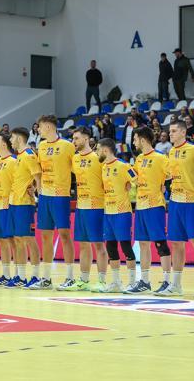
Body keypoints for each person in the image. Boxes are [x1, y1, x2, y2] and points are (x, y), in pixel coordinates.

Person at [156, 121, 194, 296]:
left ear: (184, 132)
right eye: (170, 131)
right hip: (175, 201)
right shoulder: (171, 151)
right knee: (176, 243)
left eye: (174, 131)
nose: (170, 134)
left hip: (192, 201)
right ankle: (176, 285)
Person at [125, 126, 170, 294]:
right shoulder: (138, 159)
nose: (134, 142)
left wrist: (164, 185)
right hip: (141, 206)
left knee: (160, 243)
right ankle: (144, 281)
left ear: (143, 140)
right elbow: (134, 177)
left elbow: (171, 174)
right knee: (143, 243)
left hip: (155, 205)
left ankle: (167, 282)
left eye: (135, 139)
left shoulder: (160, 158)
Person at [35, 115, 75, 290]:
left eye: (40, 127)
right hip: (45, 196)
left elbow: (78, 168)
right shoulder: (41, 146)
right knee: (45, 236)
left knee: (65, 235)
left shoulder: (67, 146)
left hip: (61, 195)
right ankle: (46, 278)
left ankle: (70, 277)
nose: (38, 130)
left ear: (49, 127)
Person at [67, 127, 108, 292]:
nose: (74, 142)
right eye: (73, 138)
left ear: (86, 139)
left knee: (99, 245)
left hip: (96, 207)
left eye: (76, 138)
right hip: (81, 206)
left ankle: (102, 281)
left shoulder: (99, 158)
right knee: (83, 245)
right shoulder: (75, 159)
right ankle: (83, 280)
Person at [97, 138, 137, 292]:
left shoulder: (123, 165)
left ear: (105, 150)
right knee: (111, 247)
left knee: (125, 246)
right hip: (108, 212)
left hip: (122, 212)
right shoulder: (102, 167)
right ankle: (116, 282)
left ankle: (132, 282)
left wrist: (130, 187)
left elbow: (137, 179)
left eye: (98, 149)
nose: (97, 152)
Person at [5, 127, 41, 288]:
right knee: (18, 240)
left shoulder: (28, 155)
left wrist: (38, 193)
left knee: (29, 239)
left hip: (25, 204)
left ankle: (36, 276)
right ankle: (20, 276)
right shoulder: (18, 156)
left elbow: (38, 176)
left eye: (12, 138)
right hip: (14, 202)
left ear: (19, 139)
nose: (10, 141)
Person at [0, 133, 17, 286]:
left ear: (5, 144)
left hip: (8, 206)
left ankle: (19, 275)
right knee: (1, 240)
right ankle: (6, 275)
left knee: (12, 241)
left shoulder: (13, 162)